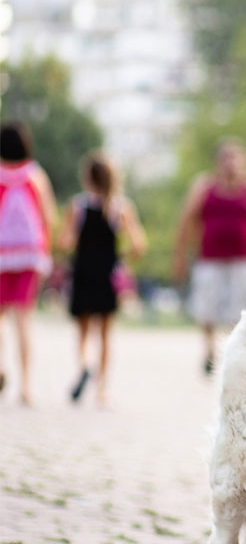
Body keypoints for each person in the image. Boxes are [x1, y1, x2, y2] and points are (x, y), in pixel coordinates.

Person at [172, 139, 246, 374]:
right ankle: (210, 349)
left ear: (245, 163)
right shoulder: (203, 187)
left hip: (244, 261)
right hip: (208, 259)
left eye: (236, 158)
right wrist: (179, 257)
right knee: (206, 308)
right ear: (218, 162)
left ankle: (231, 349)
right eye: (226, 158)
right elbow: (185, 222)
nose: (231, 164)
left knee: (240, 309)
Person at [60, 151, 147, 408]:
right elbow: (139, 245)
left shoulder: (78, 206)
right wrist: (122, 256)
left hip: (84, 272)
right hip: (107, 274)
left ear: (87, 177)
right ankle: (102, 390)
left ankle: (86, 365)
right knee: (106, 334)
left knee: (84, 329)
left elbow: (64, 242)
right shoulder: (121, 208)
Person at [0, 121, 58, 406]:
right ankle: (26, 386)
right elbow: (49, 217)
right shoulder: (35, 175)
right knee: (24, 321)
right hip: (28, 256)